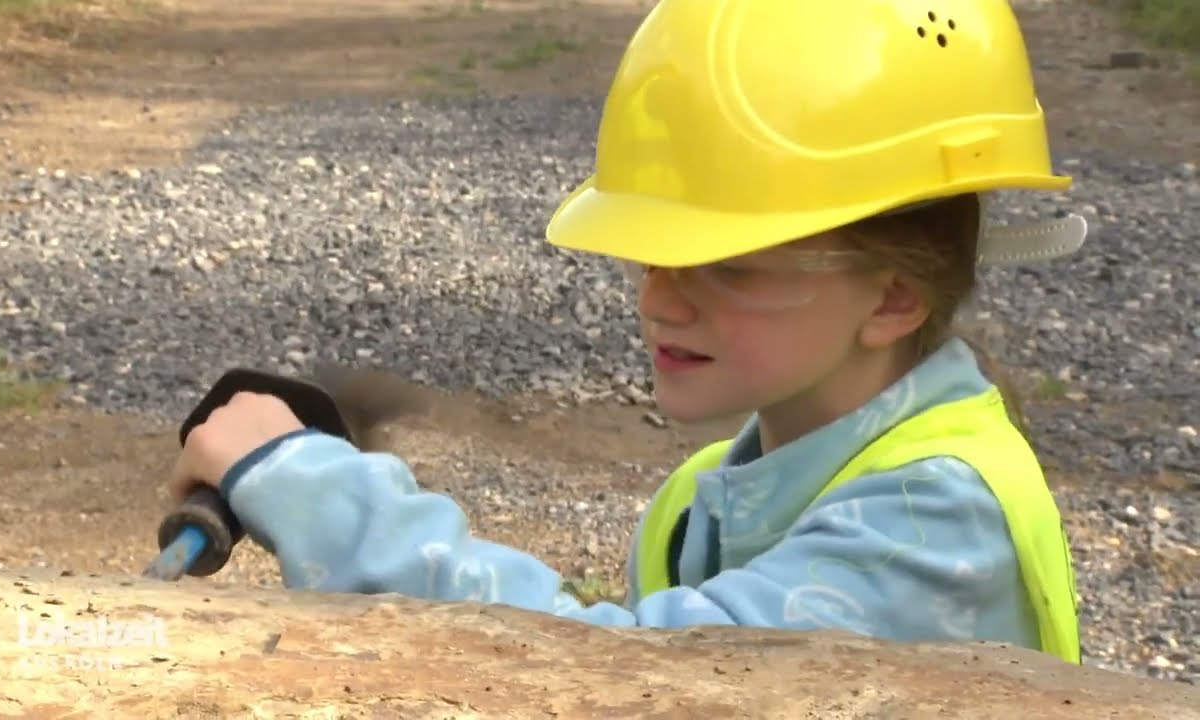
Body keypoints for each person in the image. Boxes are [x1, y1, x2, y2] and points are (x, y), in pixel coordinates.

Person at [166, 0, 1088, 664]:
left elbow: (630, 679)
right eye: (651, 253)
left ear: (893, 298)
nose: (659, 301)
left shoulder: (936, 523)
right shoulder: (707, 498)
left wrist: (314, 491)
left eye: (727, 263)